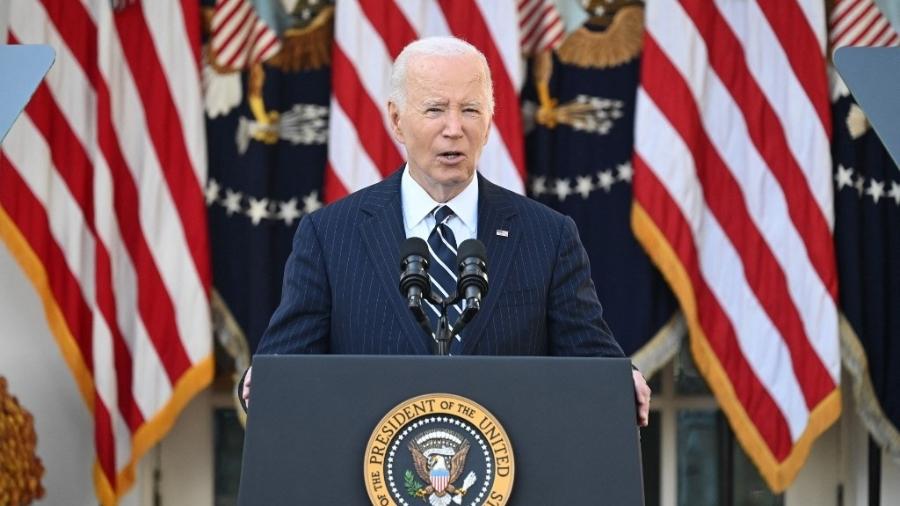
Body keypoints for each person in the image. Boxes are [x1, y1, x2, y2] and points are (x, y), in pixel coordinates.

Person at [243, 36, 651, 426]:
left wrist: (620, 378)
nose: (454, 128)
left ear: (490, 122)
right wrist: (262, 379)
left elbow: (591, 357)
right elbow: (286, 365)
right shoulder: (329, 236)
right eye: (435, 109)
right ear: (397, 120)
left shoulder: (549, 236)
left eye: (470, 110)